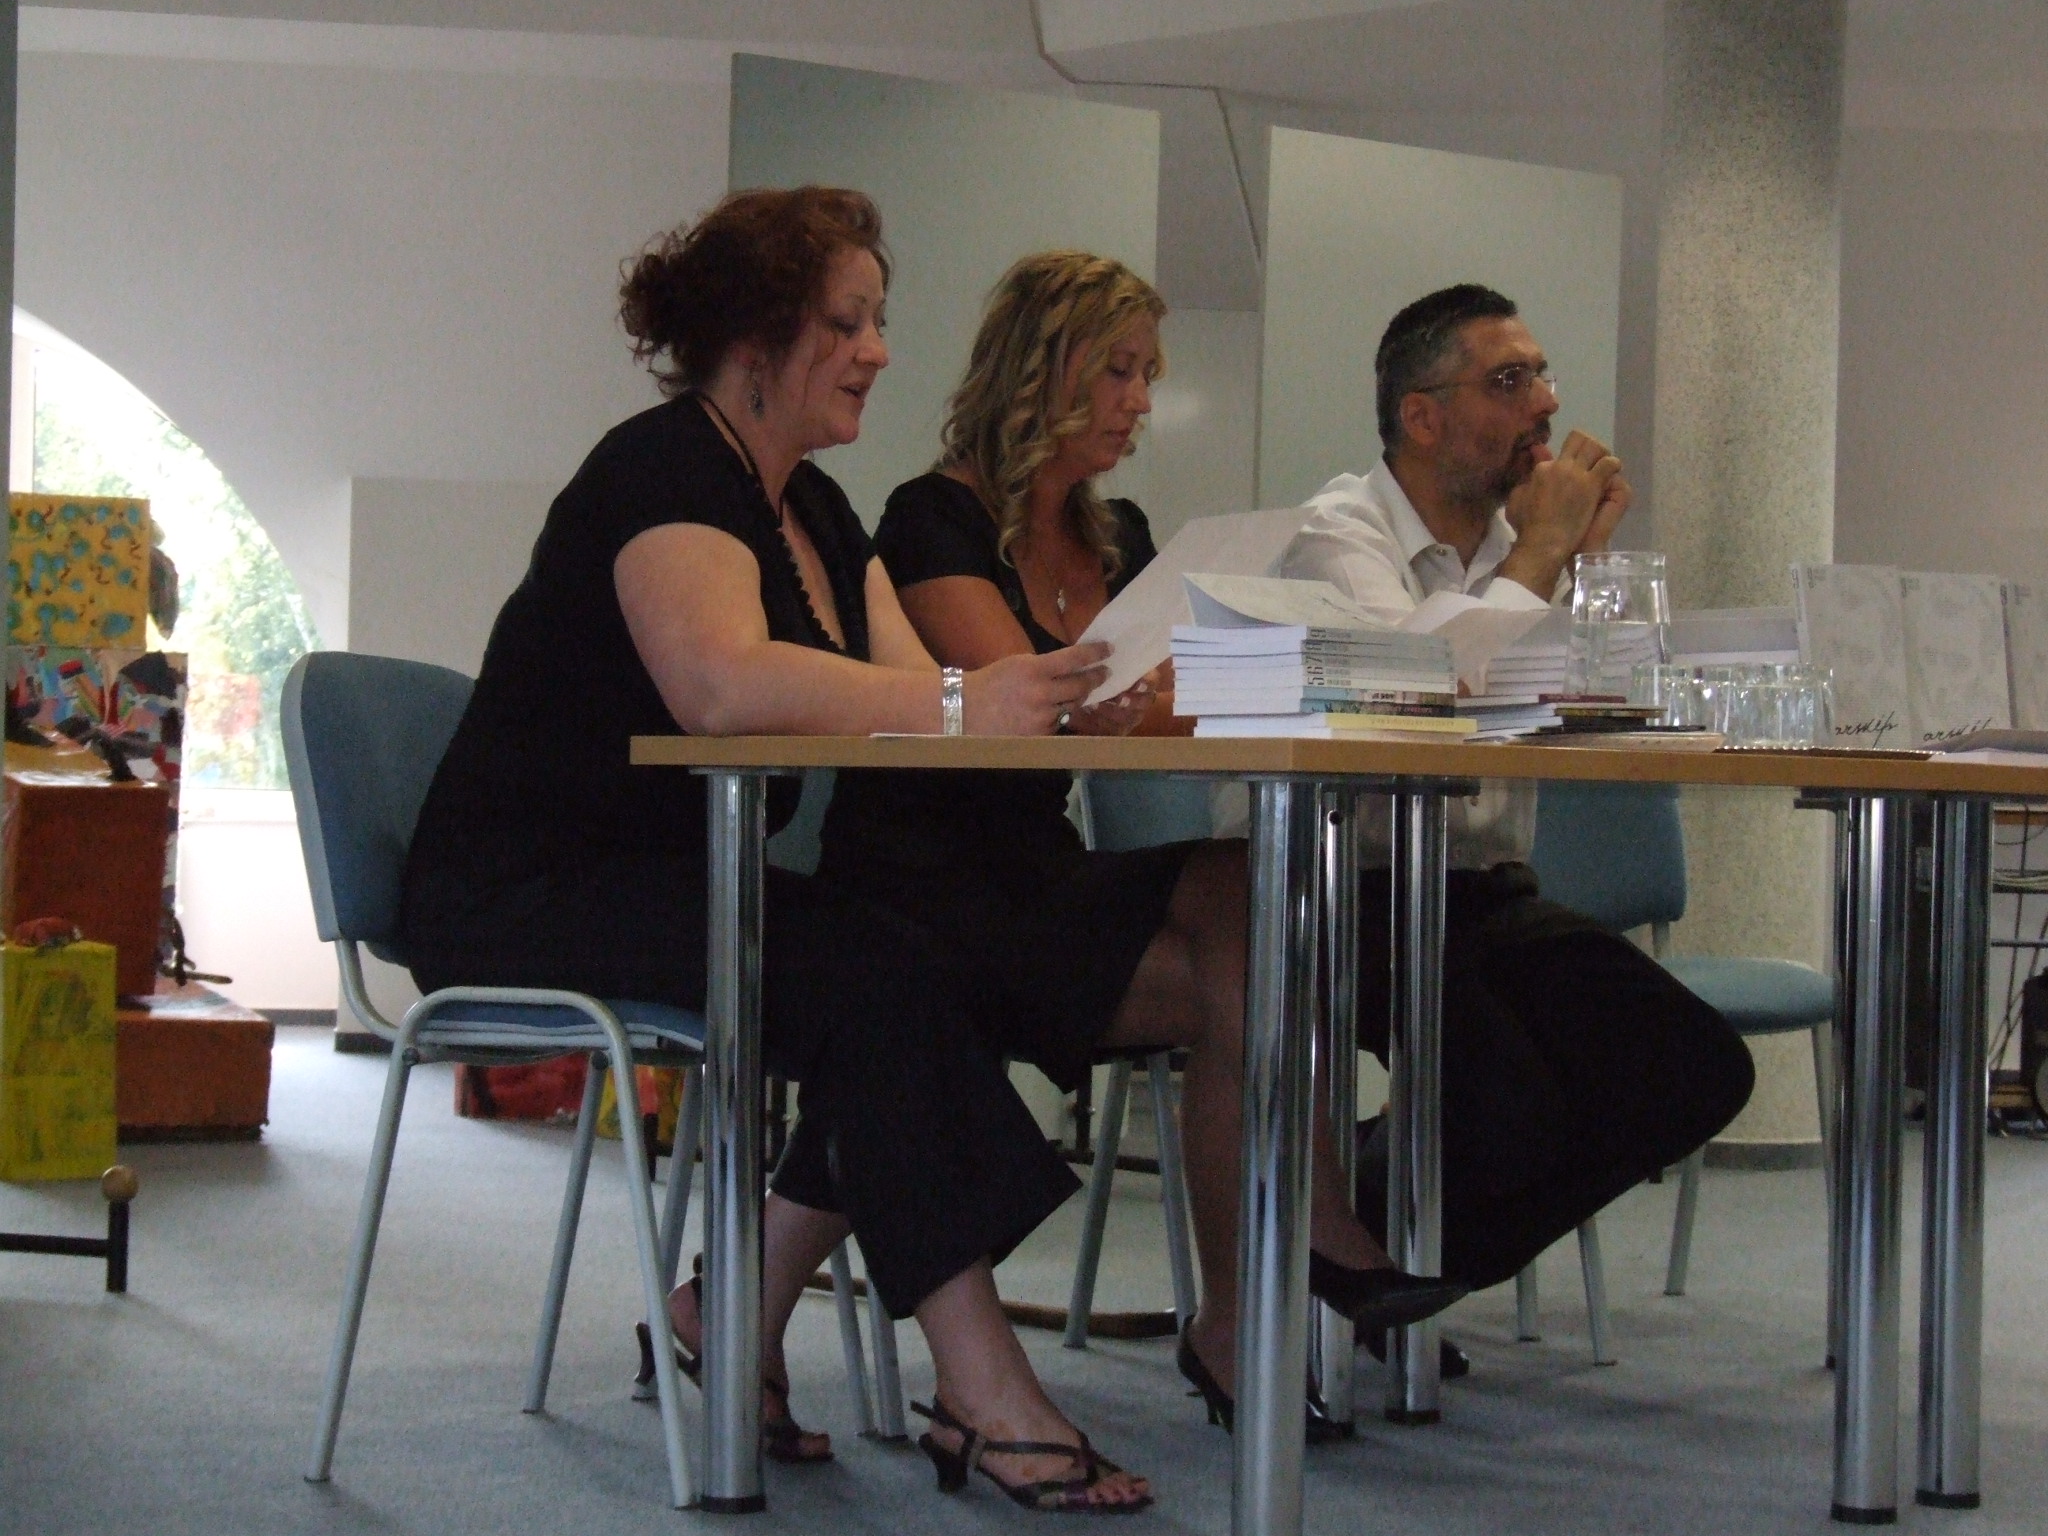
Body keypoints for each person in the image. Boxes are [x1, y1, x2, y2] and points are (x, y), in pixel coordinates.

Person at [398, 188, 1154, 1513]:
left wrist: (1065, 699)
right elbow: (722, 685)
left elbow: (920, 705)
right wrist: (969, 703)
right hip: (524, 893)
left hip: (675, 885)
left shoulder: (815, 509)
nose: (876, 350)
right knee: (878, 978)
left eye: (877, 322)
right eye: (847, 323)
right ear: (755, 338)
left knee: (910, 962)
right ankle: (981, 1389)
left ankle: (744, 1322)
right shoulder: (660, 469)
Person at [810, 251, 1466, 1437]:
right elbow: (1023, 701)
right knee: (1250, 943)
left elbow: (1157, 705)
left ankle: (1247, 1307)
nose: (1138, 401)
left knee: (1254, 925)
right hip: (923, 889)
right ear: (1040, 370)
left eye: (1146, 375)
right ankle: (1278, 1277)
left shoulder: (1121, 535)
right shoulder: (930, 518)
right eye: (1116, 370)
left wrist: (1184, 690)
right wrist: (1135, 700)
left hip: (1041, 872)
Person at [1276, 283, 1757, 1329]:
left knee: (1694, 1069)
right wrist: (1542, 557)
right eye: (1508, 380)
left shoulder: (1516, 546)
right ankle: (1340, 1237)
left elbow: (1606, 711)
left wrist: (1584, 564)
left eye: (1541, 376)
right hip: (1349, 894)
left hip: (1482, 890)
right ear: (1421, 416)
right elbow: (1416, 697)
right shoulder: (1336, 536)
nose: (1544, 403)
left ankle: (1365, 1246)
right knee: (1508, 1110)